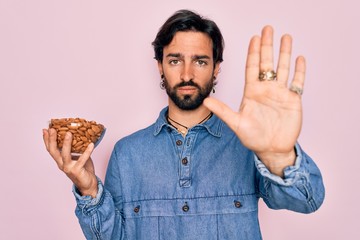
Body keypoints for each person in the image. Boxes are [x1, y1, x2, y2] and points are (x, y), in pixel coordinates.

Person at [43, 9, 325, 240]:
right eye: (175, 60)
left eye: (200, 61)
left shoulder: (247, 144)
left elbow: (307, 200)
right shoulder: (127, 153)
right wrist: (89, 190)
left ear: (216, 68)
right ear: (160, 66)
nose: (187, 73)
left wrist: (278, 156)